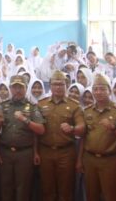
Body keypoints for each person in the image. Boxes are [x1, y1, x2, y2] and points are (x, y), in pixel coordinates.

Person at [78, 74, 116, 201]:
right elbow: (83, 138)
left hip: (110, 161)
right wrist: (79, 160)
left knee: (111, 196)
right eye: (95, 89)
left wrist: (113, 128)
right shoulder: (87, 111)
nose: (98, 92)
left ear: (109, 91)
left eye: (102, 89)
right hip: (90, 159)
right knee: (91, 195)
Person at [38, 70, 85, 201]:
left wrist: (73, 128)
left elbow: (82, 128)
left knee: (66, 191)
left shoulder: (74, 105)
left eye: (61, 84)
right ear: (50, 85)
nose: (58, 87)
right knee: (47, 190)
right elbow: (36, 131)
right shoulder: (41, 104)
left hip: (66, 153)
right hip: (45, 151)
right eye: (55, 84)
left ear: (66, 85)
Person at [0, 74, 46, 201]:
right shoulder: (3, 106)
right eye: (14, 87)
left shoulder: (32, 107)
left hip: (24, 153)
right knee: (5, 186)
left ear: (25, 88)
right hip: (5, 152)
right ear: (10, 88)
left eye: (20, 87)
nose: (17, 90)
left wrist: (25, 120)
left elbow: (41, 130)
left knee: (23, 188)